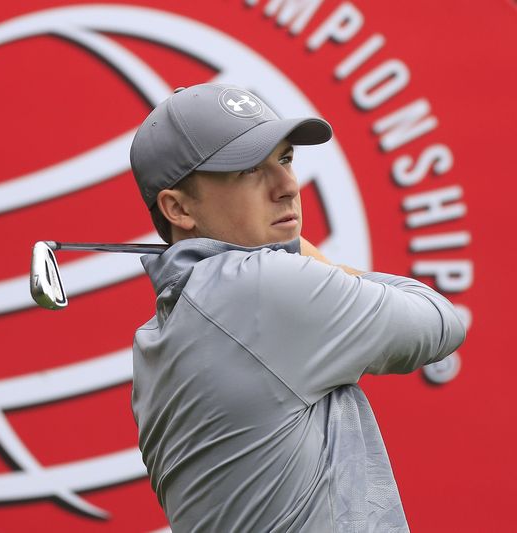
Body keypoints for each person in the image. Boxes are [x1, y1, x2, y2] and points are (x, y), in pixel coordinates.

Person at [128, 83, 466, 532]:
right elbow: (439, 322)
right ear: (178, 208)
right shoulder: (262, 289)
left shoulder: (157, 335)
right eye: (247, 170)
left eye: (285, 159)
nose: (287, 186)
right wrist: (311, 258)